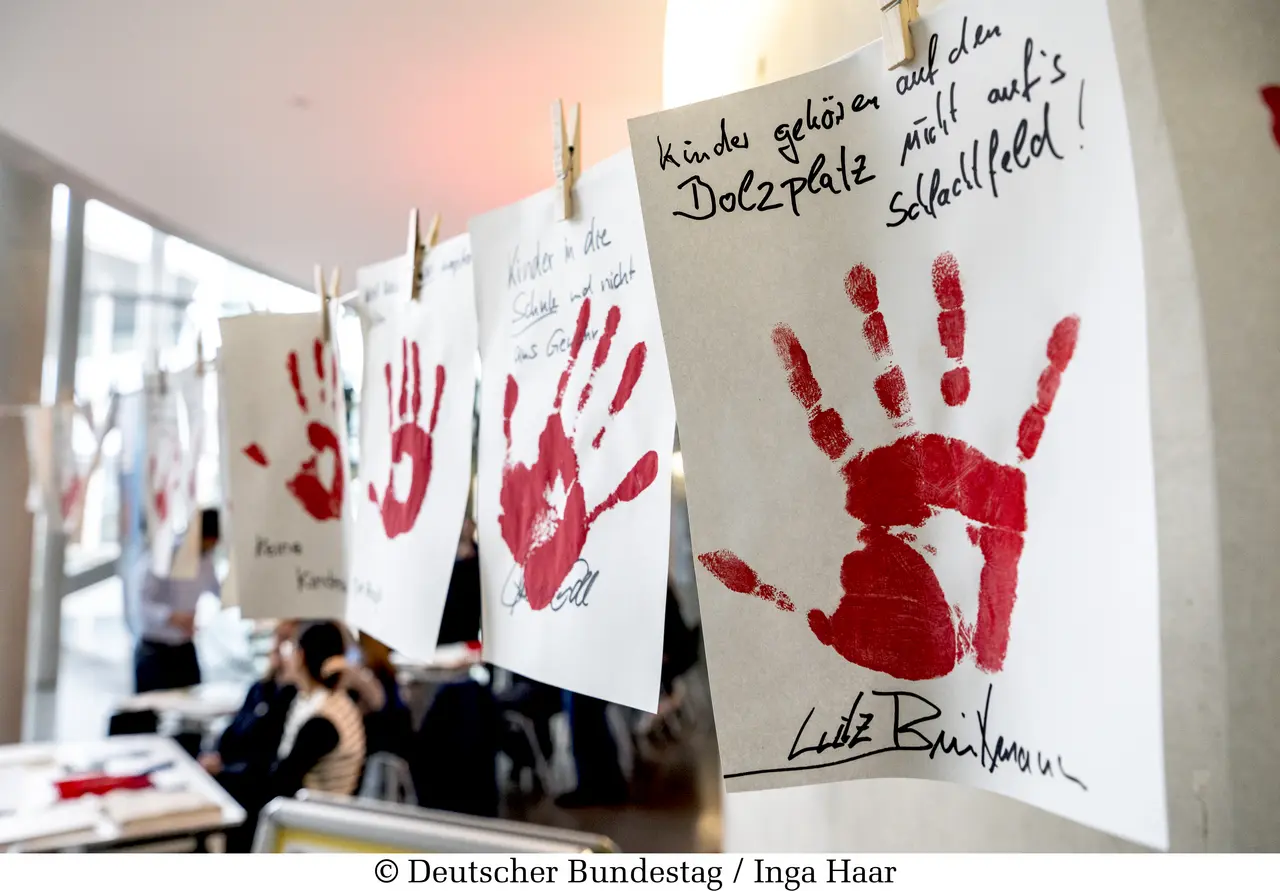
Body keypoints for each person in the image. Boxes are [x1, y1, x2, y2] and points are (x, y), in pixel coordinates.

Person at [133, 508, 221, 693]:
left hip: (184, 648)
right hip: (156, 649)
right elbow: (141, 603)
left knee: (192, 700)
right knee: (152, 706)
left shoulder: (206, 560)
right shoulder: (164, 554)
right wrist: (171, 617)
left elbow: (218, 591)